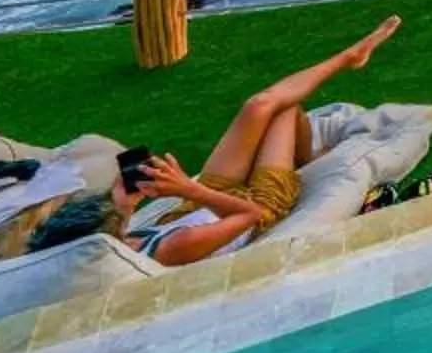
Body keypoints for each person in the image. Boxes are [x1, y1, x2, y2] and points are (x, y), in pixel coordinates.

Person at [104, 16, 400, 268]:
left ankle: (350, 57)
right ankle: (344, 71)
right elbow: (250, 215)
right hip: (254, 205)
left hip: (196, 204)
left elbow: (120, 218)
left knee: (259, 105)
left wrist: (131, 198)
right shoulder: (173, 247)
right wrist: (187, 187)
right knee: (285, 108)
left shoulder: (115, 240)